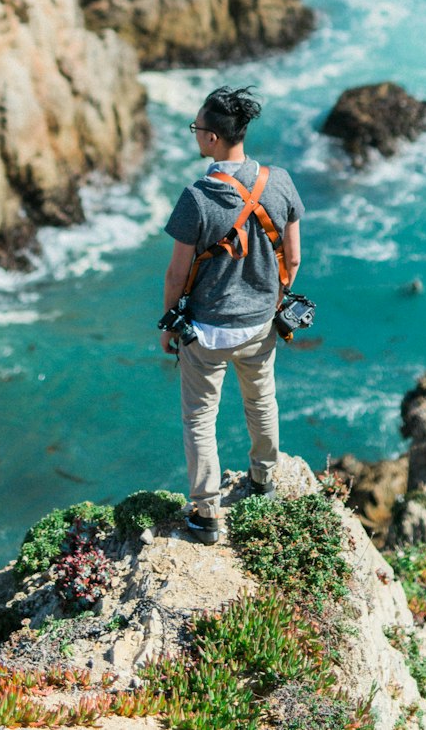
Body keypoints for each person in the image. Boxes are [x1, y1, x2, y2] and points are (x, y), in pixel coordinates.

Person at [160, 85, 303, 544]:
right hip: (261, 324)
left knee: (200, 418)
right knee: (261, 401)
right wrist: (269, 297)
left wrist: (167, 324)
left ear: (213, 139)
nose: (195, 135)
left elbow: (176, 275)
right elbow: (294, 259)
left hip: (206, 332)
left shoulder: (196, 197)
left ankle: (206, 515)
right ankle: (262, 481)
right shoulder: (278, 180)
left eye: (197, 129)